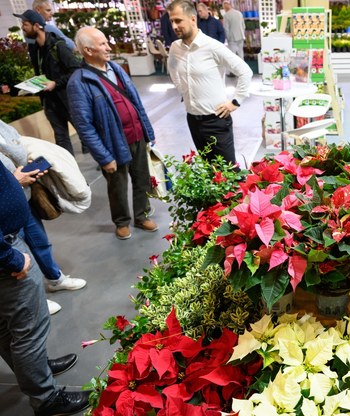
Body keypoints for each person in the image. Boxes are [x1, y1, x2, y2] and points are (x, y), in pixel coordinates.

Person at [0, 162, 91, 416]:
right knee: (28, 328)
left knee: (6, 327)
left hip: (6, 245)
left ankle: (33, 371)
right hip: (5, 253)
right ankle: (46, 398)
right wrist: (11, 258)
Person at [67, 26, 159, 240]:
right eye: (102, 44)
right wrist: (104, 157)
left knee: (142, 180)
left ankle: (142, 215)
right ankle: (122, 221)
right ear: (88, 50)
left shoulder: (116, 69)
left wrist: (148, 131)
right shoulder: (79, 82)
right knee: (117, 186)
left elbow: (136, 102)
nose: (109, 47)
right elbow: (84, 126)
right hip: (113, 144)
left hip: (136, 135)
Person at [0, 121, 86, 315]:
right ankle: (35, 297)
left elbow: (17, 142)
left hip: (24, 196)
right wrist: (15, 180)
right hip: (6, 210)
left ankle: (55, 278)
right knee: (20, 253)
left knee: (40, 242)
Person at [167, 0, 252, 165]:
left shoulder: (212, 46)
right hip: (192, 119)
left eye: (178, 21)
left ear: (192, 19)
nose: (174, 26)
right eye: (172, 21)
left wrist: (235, 101)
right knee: (209, 171)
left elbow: (245, 71)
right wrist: (183, 90)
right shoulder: (175, 48)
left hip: (216, 121)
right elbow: (173, 70)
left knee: (227, 174)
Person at [14, 10, 81, 156]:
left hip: (67, 100)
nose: (22, 27)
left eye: (25, 24)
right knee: (61, 138)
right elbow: (41, 73)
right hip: (50, 102)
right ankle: (72, 173)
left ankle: (108, 164)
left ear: (36, 26)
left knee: (85, 134)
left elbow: (76, 70)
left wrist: (55, 83)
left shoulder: (58, 46)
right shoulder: (34, 49)